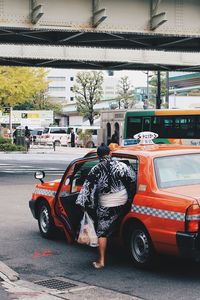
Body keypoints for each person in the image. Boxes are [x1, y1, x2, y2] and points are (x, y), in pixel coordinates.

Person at [76, 143, 136, 269]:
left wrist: (84, 205)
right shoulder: (120, 165)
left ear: (98, 156)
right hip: (122, 199)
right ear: (110, 154)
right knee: (116, 219)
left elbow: (88, 188)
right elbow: (132, 177)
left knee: (102, 232)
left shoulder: (96, 169)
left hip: (107, 202)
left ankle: (101, 261)